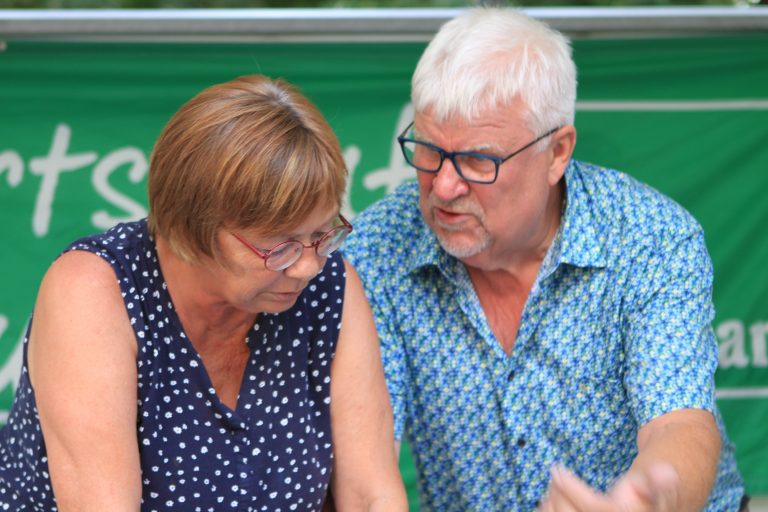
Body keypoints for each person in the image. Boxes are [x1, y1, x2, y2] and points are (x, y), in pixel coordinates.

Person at [342, 8, 746, 512]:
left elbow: (679, 422)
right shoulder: (376, 251)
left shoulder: (649, 237)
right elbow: (365, 471)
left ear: (557, 153)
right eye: (427, 151)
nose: (443, 187)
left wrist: (644, 502)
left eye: (477, 160)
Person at [0, 74, 407, 511]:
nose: (308, 266)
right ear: (191, 227)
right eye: (279, 246)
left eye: (322, 234)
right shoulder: (94, 291)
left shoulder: (330, 287)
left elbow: (371, 495)